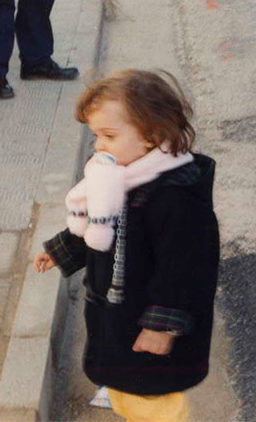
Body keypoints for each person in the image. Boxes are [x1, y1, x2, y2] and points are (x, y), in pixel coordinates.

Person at [33, 69, 220, 422]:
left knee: (153, 403)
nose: (99, 146)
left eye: (109, 135)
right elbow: (97, 229)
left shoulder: (175, 200)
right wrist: (61, 251)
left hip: (147, 325)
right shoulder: (117, 179)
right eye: (95, 136)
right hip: (120, 316)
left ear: (151, 135)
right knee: (128, 392)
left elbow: (185, 271)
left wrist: (161, 326)